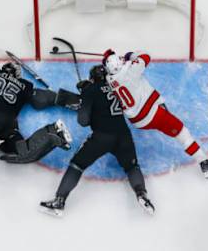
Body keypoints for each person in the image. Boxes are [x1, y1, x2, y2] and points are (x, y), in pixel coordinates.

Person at [40, 65, 154, 216]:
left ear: (92, 78)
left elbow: (83, 121)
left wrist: (85, 98)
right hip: (124, 135)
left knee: (77, 164)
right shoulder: (116, 87)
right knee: (132, 167)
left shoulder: (90, 90)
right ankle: (141, 194)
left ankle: (59, 201)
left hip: (102, 137)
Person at [102, 49, 208, 178]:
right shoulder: (131, 71)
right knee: (182, 132)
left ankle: (162, 111)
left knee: (164, 118)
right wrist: (130, 56)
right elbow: (145, 56)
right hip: (152, 114)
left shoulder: (109, 79)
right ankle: (205, 164)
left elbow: (110, 69)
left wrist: (112, 59)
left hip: (137, 120)